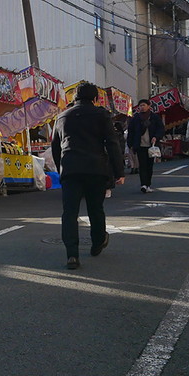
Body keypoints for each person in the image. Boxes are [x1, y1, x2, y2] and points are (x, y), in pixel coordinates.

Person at [51, 82, 125, 270]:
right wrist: (118, 171)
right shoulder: (101, 115)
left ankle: (72, 255)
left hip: (70, 169)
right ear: (95, 99)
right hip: (96, 168)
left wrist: (62, 168)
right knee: (95, 209)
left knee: (69, 213)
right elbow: (112, 143)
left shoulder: (62, 117)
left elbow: (55, 147)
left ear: (74, 98)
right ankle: (97, 242)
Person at [126, 100, 165, 193]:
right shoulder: (136, 118)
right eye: (140, 105)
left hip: (151, 146)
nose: (141, 107)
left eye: (144, 105)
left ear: (148, 106)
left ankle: (148, 184)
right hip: (140, 145)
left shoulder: (154, 117)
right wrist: (130, 144)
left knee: (149, 166)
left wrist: (156, 137)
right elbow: (131, 132)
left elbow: (161, 129)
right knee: (142, 165)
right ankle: (143, 184)